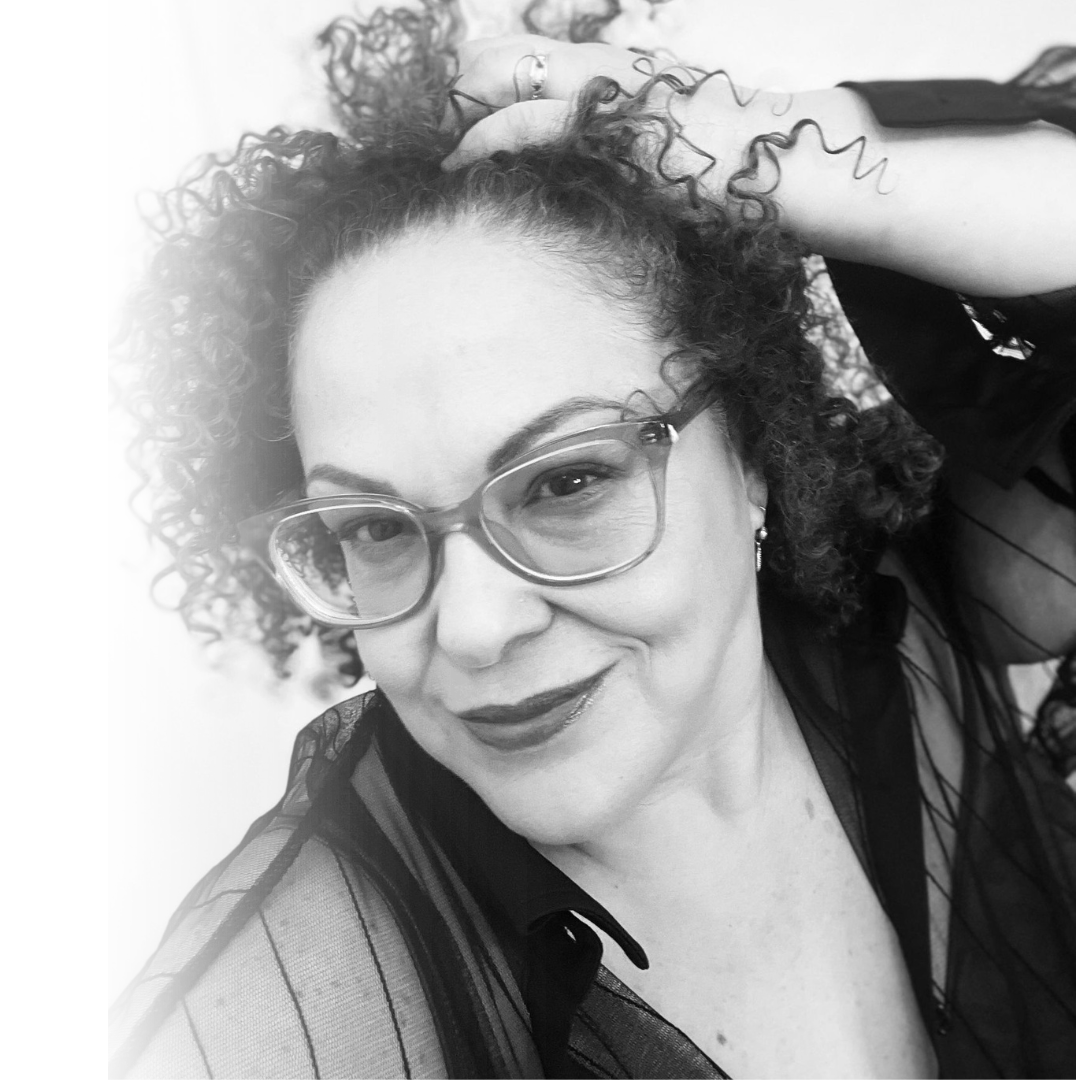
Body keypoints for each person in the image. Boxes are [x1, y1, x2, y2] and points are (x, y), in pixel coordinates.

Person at [109, 5, 1074, 1077]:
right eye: (376, 528)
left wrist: (774, 151)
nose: (473, 629)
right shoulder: (277, 1020)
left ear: (754, 449)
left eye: (566, 481)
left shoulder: (915, 615)